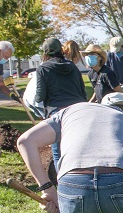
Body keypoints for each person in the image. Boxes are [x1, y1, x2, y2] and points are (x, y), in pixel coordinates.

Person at [34, 37, 88, 169]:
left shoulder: (43, 69)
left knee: (58, 150)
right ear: (61, 50)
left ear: (45, 53)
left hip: (57, 113)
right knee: (78, 149)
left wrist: (33, 98)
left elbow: (40, 96)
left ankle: (62, 183)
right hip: (78, 111)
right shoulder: (73, 67)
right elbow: (83, 92)